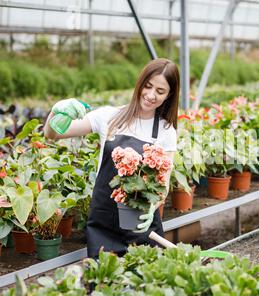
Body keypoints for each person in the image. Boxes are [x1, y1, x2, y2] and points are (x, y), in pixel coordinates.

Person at [43, 58, 179, 258]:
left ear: (169, 96)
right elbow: (52, 134)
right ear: (140, 84)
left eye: (160, 91)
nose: (151, 95)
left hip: (142, 224)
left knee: (147, 284)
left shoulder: (166, 131)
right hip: (104, 223)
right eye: (148, 86)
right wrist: (57, 110)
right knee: (102, 284)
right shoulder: (109, 116)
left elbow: (163, 184)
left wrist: (152, 207)